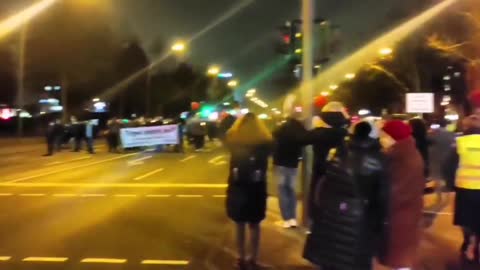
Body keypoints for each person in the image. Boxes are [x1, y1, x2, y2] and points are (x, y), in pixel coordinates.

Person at [303, 121, 388, 270]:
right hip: (358, 218)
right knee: (352, 259)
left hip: (331, 212)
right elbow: (380, 199)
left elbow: (323, 180)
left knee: (331, 257)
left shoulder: (337, 152)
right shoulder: (379, 160)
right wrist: (378, 226)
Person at [225, 113, 272, 270]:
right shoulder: (264, 142)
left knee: (240, 223)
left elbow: (226, 138)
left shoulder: (234, 139)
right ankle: (254, 258)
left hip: (238, 186)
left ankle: (240, 257)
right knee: (255, 223)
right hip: (256, 187)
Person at [378, 120, 424, 270]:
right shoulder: (405, 153)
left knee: (401, 258)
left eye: (384, 135)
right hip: (404, 214)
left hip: (401, 215)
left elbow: (397, 189)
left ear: (393, 137)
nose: (381, 138)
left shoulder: (402, 157)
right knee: (401, 256)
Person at [305, 102, 349, 224]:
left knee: (319, 205)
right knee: (340, 204)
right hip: (342, 177)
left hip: (321, 174)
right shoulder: (346, 135)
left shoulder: (319, 134)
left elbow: (302, 138)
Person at [447, 115, 480, 262]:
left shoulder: (459, 142)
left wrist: (450, 183)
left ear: (465, 127)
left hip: (465, 188)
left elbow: (449, 166)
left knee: (466, 219)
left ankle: (469, 243)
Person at [272, 112, 307, 228]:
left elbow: (274, 135)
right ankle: (293, 218)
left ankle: (286, 219)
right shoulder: (300, 128)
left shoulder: (283, 127)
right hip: (293, 163)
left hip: (281, 161)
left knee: (282, 190)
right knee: (291, 189)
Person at [429, 119, 455, 191]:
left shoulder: (433, 134)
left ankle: (438, 198)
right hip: (448, 160)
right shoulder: (451, 134)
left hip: (436, 161)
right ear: (446, 125)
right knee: (447, 181)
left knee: (437, 181)